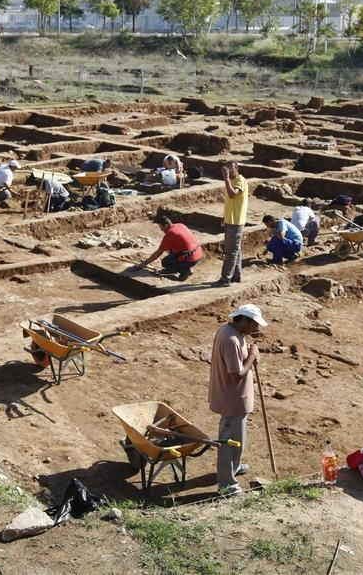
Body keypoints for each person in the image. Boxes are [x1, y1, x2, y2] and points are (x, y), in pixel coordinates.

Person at [209, 303, 267, 495]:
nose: (256, 329)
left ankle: (234, 466)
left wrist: (250, 357)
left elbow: (241, 363)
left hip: (237, 399)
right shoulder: (230, 339)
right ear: (243, 320)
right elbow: (237, 374)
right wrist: (252, 356)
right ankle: (227, 484)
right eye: (254, 325)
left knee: (237, 438)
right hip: (231, 400)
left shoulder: (234, 333)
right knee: (229, 441)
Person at [130, 215, 203, 281]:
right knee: (171, 253)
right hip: (198, 253)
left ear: (165, 225)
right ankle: (182, 268)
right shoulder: (180, 225)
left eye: (161, 227)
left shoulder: (170, 234)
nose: (161, 230)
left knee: (165, 262)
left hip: (191, 258)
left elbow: (158, 252)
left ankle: (185, 270)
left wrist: (143, 264)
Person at [215, 162, 249, 287]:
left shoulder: (240, 180)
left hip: (237, 222)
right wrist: (225, 217)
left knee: (231, 251)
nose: (229, 172)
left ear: (237, 169)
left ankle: (225, 278)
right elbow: (230, 202)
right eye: (227, 169)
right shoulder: (232, 180)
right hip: (230, 220)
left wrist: (226, 179)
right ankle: (236, 275)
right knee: (236, 249)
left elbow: (232, 194)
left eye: (231, 169)